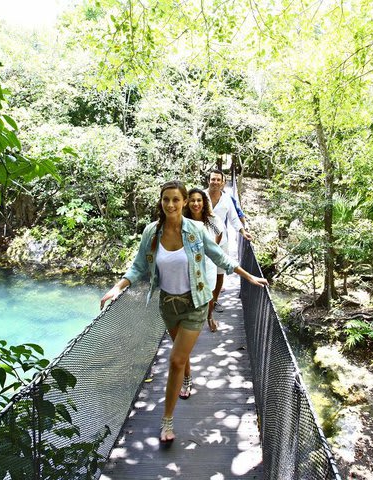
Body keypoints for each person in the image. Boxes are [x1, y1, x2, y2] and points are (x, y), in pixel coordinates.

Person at [100, 180, 268, 444]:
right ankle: (188, 377)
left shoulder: (195, 230)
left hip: (195, 304)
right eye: (166, 199)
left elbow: (219, 257)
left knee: (176, 359)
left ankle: (167, 420)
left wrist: (249, 277)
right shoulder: (152, 233)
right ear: (161, 201)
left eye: (176, 200)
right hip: (168, 304)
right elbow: (137, 267)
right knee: (181, 353)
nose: (170, 204)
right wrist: (116, 288)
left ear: (184, 202)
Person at [204, 169, 253, 314]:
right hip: (201, 240)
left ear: (223, 183)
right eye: (213, 179)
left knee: (219, 273)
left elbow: (233, 219)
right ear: (209, 181)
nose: (215, 182)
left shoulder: (227, 199)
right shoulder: (200, 196)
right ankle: (203, 302)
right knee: (201, 271)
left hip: (221, 242)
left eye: (218, 180)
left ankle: (214, 301)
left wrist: (243, 232)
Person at [183, 188, 223, 332]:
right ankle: (189, 322)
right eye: (192, 200)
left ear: (204, 202)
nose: (196, 203)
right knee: (189, 291)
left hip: (208, 262)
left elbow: (220, 232)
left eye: (199, 200)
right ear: (187, 203)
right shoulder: (183, 221)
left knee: (210, 292)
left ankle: (209, 317)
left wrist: (212, 249)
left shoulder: (211, 220)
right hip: (189, 263)